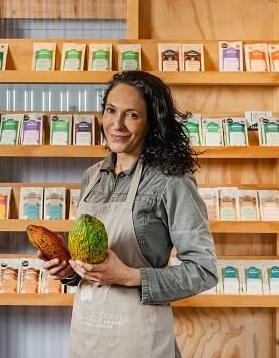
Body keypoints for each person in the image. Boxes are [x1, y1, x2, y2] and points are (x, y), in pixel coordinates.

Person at [41, 71, 218, 357]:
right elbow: (91, 264)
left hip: (140, 342)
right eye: (111, 111)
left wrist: (128, 276)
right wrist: (69, 272)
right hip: (88, 337)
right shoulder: (92, 177)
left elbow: (204, 271)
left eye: (132, 115)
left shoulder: (171, 181)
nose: (117, 124)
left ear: (151, 123)